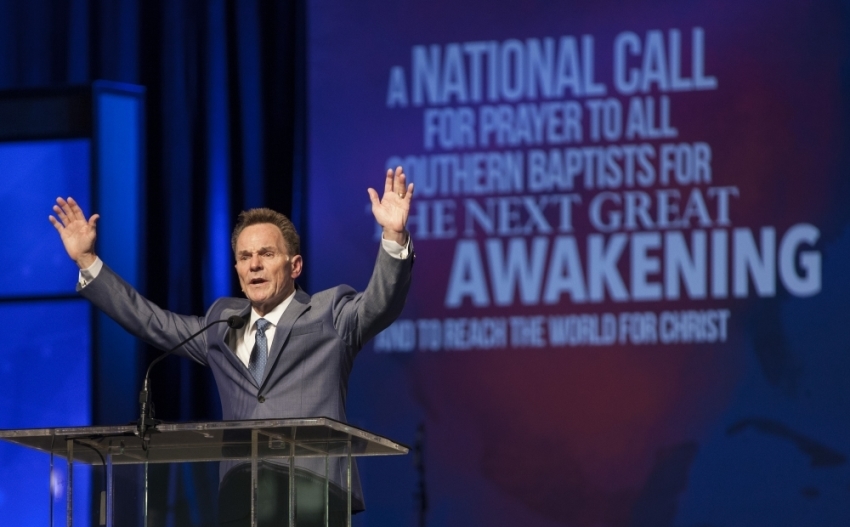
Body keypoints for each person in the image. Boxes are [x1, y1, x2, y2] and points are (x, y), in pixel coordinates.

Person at [49, 167, 414, 526]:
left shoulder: (328, 312)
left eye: (267, 254)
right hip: (242, 499)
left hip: (313, 495)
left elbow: (379, 305)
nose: (254, 265)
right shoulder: (222, 323)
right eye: (244, 257)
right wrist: (87, 261)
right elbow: (152, 322)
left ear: (295, 265)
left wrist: (393, 236)